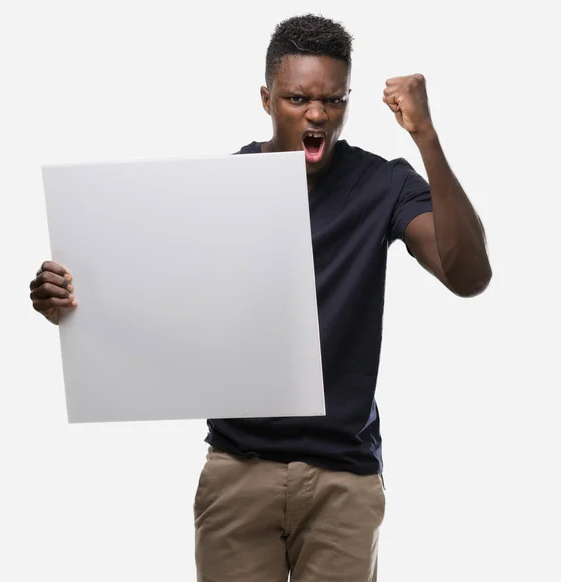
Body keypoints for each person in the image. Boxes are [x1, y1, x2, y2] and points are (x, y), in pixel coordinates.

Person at [30, 13, 492, 582]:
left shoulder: (383, 185)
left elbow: (468, 275)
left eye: (333, 100)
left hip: (343, 476)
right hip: (238, 468)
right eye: (297, 98)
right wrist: (72, 304)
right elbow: (158, 301)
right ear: (266, 98)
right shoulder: (225, 188)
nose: (317, 114)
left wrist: (426, 136)